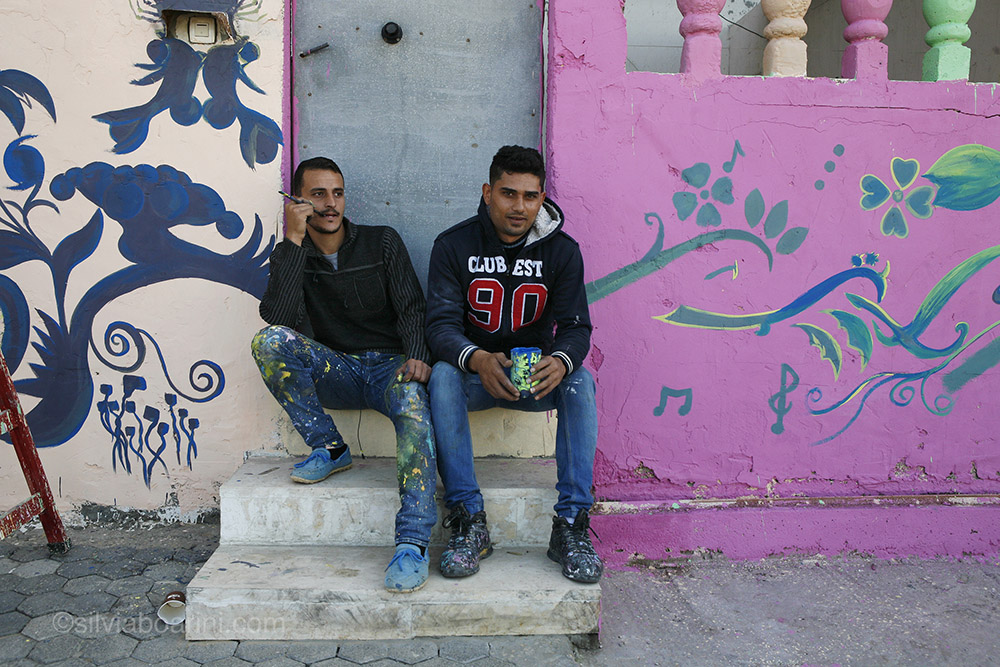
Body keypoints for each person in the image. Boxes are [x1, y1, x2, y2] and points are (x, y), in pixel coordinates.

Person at [251, 157, 436, 593]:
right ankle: (330, 447)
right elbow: (279, 318)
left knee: (413, 408)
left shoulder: (382, 242)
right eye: (318, 194)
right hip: (339, 369)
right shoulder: (290, 254)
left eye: (337, 193)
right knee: (269, 341)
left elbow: (412, 306)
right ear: (297, 201)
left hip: (391, 368)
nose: (331, 204)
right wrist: (293, 240)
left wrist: (417, 355)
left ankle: (412, 543)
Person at [425, 145, 603, 584]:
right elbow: (440, 326)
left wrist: (560, 361)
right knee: (443, 375)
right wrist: (477, 358)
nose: (519, 207)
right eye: (508, 194)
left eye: (530, 196)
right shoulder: (453, 245)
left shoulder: (562, 251)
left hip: (533, 379)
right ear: (488, 193)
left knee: (580, 380)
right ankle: (468, 519)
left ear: (542, 197)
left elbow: (577, 327)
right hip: (475, 376)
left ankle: (571, 525)